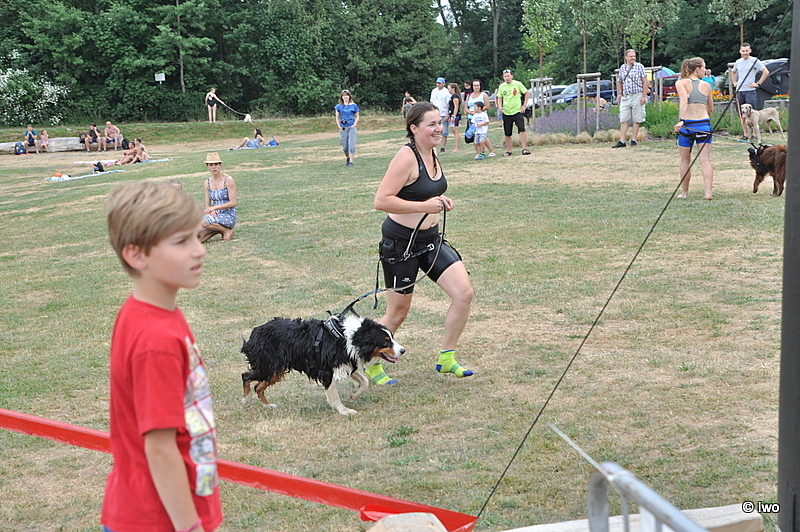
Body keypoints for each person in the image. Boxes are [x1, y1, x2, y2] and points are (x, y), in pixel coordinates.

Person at [102, 181, 222, 532]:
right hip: (157, 519)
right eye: (182, 242)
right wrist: (190, 527)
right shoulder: (156, 340)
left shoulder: (147, 312)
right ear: (137, 255)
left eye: (198, 237)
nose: (199, 251)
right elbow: (159, 448)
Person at [370, 102, 474, 385]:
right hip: (401, 244)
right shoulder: (406, 156)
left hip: (430, 240)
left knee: (463, 294)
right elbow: (381, 201)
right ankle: (369, 363)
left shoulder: (433, 152)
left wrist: (438, 201)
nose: (439, 128)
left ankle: (446, 358)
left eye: (440, 122)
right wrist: (425, 205)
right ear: (414, 129)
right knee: (397, 313)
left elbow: (425, 192)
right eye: (432, 124)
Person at [674, 57, 714, 201]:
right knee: (705, 161)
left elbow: (684, 101)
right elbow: (710, 108)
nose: (705, 70)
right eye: (704, 67)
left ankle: (685, 193)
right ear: (697, 69)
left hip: (687, 125)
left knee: (685, 161)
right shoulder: (707, 85)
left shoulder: (681, 83)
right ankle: (708, 193)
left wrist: (681, 120)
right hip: (703, 124)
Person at [730, 42, 769, 138]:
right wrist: (734, 82)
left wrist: (758, 83)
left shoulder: (754, 61)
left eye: (747, 51)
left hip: (750, 90)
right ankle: (746, 134)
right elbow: (733, 71)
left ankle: (755, 134)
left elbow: (765, 71)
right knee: (742, 113)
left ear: (750, 51)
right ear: (740, 51)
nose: (745, 53)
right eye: (743, 51)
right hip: (740, 90)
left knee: (752, 113)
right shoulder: (738, 62)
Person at [613, 49, 649, 148]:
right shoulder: (622, 68)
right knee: (623, 118)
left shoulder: (639, 67)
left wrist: (644, 96)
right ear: (626, 57)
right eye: (631, 56)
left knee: (636, 118)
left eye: (634, 56)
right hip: (626, 96)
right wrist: (620, 93)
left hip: (637, 94)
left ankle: (634, 139)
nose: (633, 58)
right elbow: (619, 81)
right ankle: (622, 140)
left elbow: (645, 82)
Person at [200, 152, 237, 242]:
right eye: (211, 165)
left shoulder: (228, 179)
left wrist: (214, 208)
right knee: (198, 238)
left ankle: (227, 231)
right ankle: (218, 230)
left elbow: (233, 203)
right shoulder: (207, 182)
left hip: (228, 215)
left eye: (216, 164)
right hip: (214, 215)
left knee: (203, 222)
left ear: (220, 165)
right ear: (207, 166)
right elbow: (207, 204)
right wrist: (210, 210)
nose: (214, 167)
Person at [496, 69, 531, 156]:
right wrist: (499, 106)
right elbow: (499, 97)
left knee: (522, 130)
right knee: (507, 133)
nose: (507, 78)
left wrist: (524, 105)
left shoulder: (517, 84)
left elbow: (527, 93)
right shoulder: (502, 86)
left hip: (517, 111)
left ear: (512, 76)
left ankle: (524, 149)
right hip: (506, 112)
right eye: (505, 76)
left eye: (508, 76)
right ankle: (509, 151)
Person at [465, 80, 496, 157]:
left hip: (481, 118)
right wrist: (469, 112)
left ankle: (491, 151)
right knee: (475, 136)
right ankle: (478, 153)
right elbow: (466, 107)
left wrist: (478, 111)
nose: (476, 87)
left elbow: (487, 106)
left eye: (478, 85)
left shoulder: (484, 95)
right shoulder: (469, 96)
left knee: (482, 135)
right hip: (471, 118)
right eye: (475, 85)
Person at [335, 90, 360, 167]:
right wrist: (339, 126)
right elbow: (337, 117)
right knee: (345, 147)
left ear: (349, 96)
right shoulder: (338, 106)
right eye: (344, 95)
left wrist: (355, 124)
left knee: (351, 145)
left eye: (347, 95)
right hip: (343, 128)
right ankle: (348, 157)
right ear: (342, 97)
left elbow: (357, 115)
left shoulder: (353, 105)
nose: (345, 97)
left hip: (351, 127)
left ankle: (351, 162)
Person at [430, 77, 451, 152]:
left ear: (443, 83)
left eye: (440, 83)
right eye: (437, 83)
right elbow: (431, 102)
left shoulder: (446, 92)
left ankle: (443, 147)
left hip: (443, 113)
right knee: (433, 130)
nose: (438, 84)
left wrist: (447, 115)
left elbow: (449, 104)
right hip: (435, 113)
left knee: (444, 131)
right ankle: (433, 146)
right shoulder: (434, 91)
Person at [447, 83, 462, 152]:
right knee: (453, 131)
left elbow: (456, 106)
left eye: (449, 89)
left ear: (453, 89)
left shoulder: (455, 96)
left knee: (455, 131)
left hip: (455, 116)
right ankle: (456, 147)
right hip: (452, 115)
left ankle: (457, 148)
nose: (448, 90)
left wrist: (454, 115)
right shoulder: (452, 96)